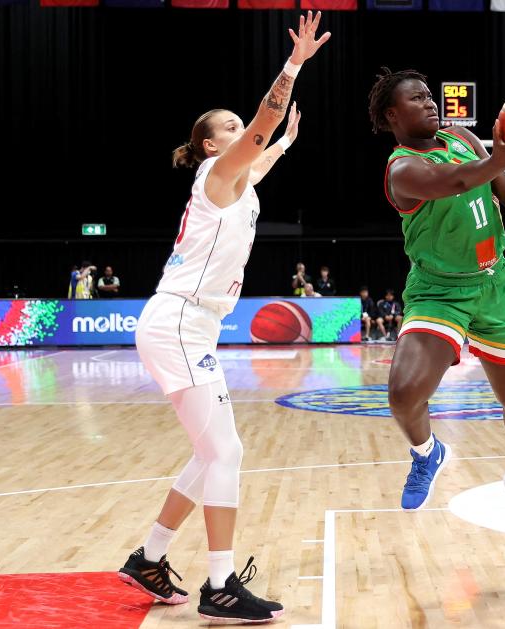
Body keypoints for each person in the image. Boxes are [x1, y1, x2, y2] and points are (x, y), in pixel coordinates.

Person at [116, 12, 328, 624]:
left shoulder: (239, 180)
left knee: (210, 453)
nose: (243, 132)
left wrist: (285, 139)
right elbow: (256, 136)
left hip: (190, 326)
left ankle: (149, 557)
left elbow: (263, 155)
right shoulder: (217, 174)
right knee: (227, 452)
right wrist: (292, 68)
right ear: (212, 145)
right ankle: (220, 584)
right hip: (180, 322)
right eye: (230, 128)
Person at [368, 66, 505, 531]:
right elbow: (454, 182)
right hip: (440, 290)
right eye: (417, 98)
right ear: (393, 115)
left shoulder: (463, 136)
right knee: (403, 392)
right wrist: (503, 157)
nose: (430, 102)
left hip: (496, 284)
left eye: (430, 95)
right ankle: (426, 453)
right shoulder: (402, 169)